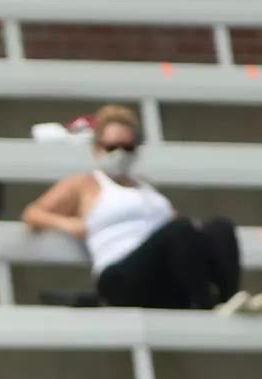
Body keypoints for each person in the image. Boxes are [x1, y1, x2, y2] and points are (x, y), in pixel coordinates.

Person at [23, 103, 247, 314]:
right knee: (181, 230)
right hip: (120, 276)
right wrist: (68, 223)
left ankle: (230, 300)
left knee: (220, 228)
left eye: (127, 147)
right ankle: (203, 305)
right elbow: (33, 213)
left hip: (158, 275)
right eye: (112, 147)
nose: (120, 154)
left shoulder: (145, 186)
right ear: (97, 148)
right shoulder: (85, 183)